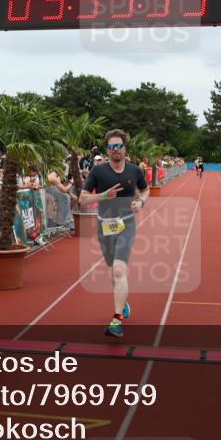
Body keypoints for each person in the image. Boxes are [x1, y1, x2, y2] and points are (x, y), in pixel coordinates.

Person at [78, 129, 149, 338]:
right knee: (112, 272)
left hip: (127, 224)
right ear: (107, 149)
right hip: (105, 227)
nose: (115, 149)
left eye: (119, 146)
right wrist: (103, 195)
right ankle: (123, 301)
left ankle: (117, 320)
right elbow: (82, 199)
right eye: (112, 146)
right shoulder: (98, 172)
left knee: (119, 270)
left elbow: (145, 190)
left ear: (124, 148)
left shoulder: (135, 171)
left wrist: (141, 202)